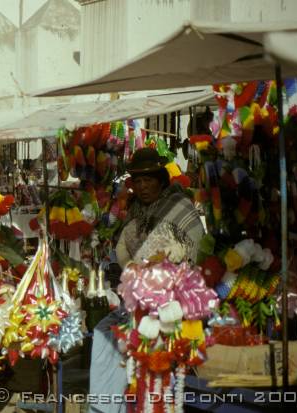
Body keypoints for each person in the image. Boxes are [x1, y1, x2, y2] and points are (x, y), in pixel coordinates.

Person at [89, 148, 205, 413]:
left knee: (149, 344)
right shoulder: (136, 210)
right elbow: (122, 246)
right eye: (138, 181)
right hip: (138, 297)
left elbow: (195, 248)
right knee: (104, 333)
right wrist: (129, 266)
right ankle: (107, 405)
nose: (142, 187)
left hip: (175, 296)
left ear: (161, 179)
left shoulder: (179, 205)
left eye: (148, 180)